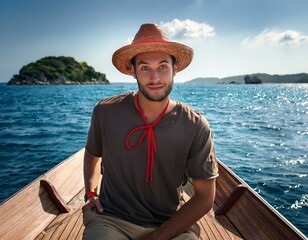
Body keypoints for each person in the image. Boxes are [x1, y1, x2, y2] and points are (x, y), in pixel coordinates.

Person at [82, 23, 219, 240]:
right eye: (145, 67)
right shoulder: (105, 112)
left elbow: (204, 198)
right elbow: (92, 152)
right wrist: (90, 193)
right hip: (110, 220)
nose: (154, 78)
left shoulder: (195, 125)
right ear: (133, 71)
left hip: (172, 224)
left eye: (163, 66)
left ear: (175, 69)